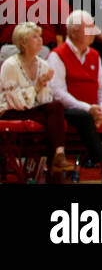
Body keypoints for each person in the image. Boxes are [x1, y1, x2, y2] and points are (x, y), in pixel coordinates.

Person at [47, 10, 102, 183]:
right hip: (70, 112)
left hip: (93, 109)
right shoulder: (57, 55)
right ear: (73, 32)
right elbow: (57, 93)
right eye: (89, 27)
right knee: (83, 116)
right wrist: (89, 108)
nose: (94, 31)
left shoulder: (94, 54)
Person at [1, 22, 77, 181]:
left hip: (33, 110)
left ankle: (58, 155)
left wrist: (42, 86)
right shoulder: (10, 65)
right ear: (23, 42)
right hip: (10, 111)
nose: (40, 40)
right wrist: (36, 87)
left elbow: (44, 101)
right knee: (53, 121)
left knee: (56, 107)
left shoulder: (43, 64)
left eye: (40, 36)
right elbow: (15, 101)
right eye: (34, 37)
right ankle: (54, 173)